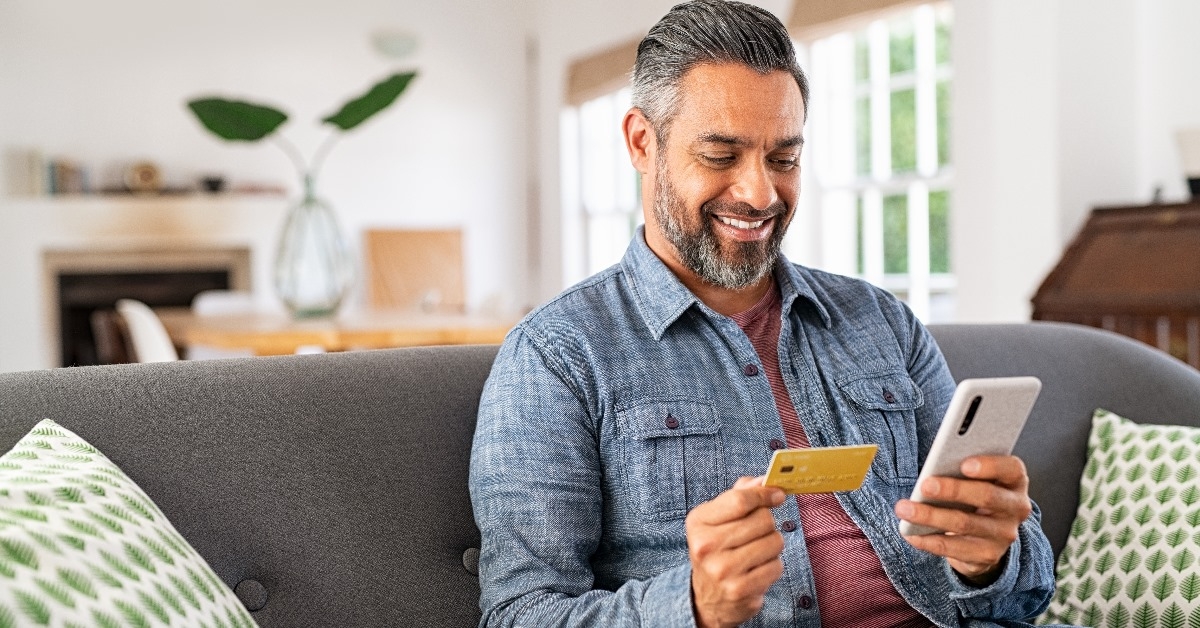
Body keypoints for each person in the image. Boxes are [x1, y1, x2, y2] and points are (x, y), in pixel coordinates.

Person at [469, 1, 1057, 626]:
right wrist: (692, 606)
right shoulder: (557, 354)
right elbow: (519, 613)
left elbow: (1029, 591)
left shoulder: (882, 322)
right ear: (642, 142)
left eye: (784, 159)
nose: (760, 193)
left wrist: (990, 560)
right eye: (720, 156)